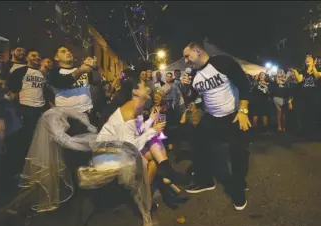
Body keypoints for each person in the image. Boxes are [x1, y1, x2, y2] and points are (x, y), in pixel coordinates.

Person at [97, 70, 189, 209]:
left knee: (153, 147)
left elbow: (138, 132)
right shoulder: (129, 111)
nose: (147, 87)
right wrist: (153, 130)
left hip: (122, 146)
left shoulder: (137, 107)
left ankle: (149, 191)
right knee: (152, 144)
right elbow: (130, 146)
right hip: (108, 153)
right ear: (135, 92)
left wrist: (151, 120)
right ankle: (159, 183)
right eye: (143, 85)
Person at [182, 42, 251, 210]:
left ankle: (238, 187)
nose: (185, 61)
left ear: (198, 51)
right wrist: (185, 87)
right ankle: (205, 180)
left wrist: (243, 111)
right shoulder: (195, 76)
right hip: (213, 118)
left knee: (239, 152)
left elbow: (244, 84)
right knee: (198, 141)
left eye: (187, 56)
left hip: (234, 115)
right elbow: (191, 98)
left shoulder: (222, 63)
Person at [7, 49, 47, 174]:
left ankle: (30, 171)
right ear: (27, 58)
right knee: (22, 142)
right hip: (24, 110)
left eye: (39, 56)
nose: (37, 57)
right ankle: (16, 170)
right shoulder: (20, 71)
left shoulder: (43, 74)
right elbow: (12, 90)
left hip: (39, 112)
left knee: (35, 143)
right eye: (33, 55)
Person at [48, 46, 102, 125]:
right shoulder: (53, 72)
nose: (68, 53)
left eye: (69, 51)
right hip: (66, 117)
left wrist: (94, 68)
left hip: (87, 113)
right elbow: (62, 83)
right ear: (56, 57)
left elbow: (96, 82)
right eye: (63, 51)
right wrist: (81, 70)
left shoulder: (82, 69)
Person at [291, 54, 321, 138]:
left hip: (314, 95)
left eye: (309, 58)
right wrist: (298, 72)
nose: (307, 60)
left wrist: (313, 67)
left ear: (313, 60)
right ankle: (306, 133)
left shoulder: (318, 69)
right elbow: (299, 80)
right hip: (304, 96)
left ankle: (315, 133)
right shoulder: (303, 71)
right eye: (306, 58)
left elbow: (317, 77)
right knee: (305, 114)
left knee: (314, 114)